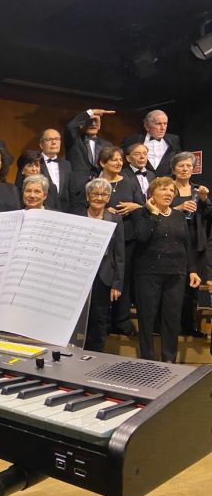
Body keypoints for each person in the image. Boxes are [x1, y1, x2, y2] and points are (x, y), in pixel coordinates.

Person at [131, 177, 201, 363]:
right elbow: (142, 236)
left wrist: (192, 270)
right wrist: (154, 214)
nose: (168, 193)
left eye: (171, 190)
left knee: (172, 317)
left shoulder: (179, 216)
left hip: (176, 273)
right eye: (163, 189)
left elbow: (187, 245)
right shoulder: (141, 213)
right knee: (147, 317)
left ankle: (169, 359)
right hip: (148, 272)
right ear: (151, 194)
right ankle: (148, 359)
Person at [96, 146, 145, 336]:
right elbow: (87, 205)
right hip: (105, 239)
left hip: (128, 236)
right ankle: (105, 322)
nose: (118, 163)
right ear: (103, 163)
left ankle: (122, 321)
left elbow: (143, 205)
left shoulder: (129, 182)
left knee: (123, 279)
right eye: (113, 160)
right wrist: (104, 210)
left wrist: (134, 206)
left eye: (119, 159)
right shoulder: (96, 183)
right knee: (105, 278)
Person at [170, 151, 211, 337]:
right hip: (173, 242)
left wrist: (204, 200)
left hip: (195, 243)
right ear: (174, 169)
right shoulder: (167, 187)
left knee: (192, 286)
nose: (185, 169)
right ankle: (172, 326)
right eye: (181, 166)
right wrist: (178, 208)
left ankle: (190, 326)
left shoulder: (198, 190)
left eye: (189, 166)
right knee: (174, 286)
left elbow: (209, 215)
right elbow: (158, 211)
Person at [82, 178, 125, 353]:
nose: (99, 198)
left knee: (99, 320)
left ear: (108, 198)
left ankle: (94, 356)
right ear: (87, 196)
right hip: (80, 276)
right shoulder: (77, 216)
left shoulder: (115, 219)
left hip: (104, 277)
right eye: (95, 194)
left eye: (103, 194)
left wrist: (117, 284)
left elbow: (119, 254)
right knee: (78, 320)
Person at [65, 108, 115, 212]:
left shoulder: (107, 145)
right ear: (81, 124)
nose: (93, 124)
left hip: (100, 192)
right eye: (89, 121)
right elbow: (70, 126)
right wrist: (90, 112)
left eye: (96, 121)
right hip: (77, 192)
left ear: (100, 125)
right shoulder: (74, 140)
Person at [122, 110, 181, 177]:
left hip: (167, 181)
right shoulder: (132, 140)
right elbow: (122, 161)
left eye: (165, 124)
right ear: (147, 126)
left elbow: (179, 161)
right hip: (140, 180)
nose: (163, 128)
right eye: (158, 124)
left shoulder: (173, 140)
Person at [38, 128, 73, 212]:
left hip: (64, 212)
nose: (54, 142)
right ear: (41, 145)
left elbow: (70, 191)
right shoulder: (34, 163)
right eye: (49, 139)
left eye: (57, 139)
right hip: (42, 211)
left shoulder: (66, 164)